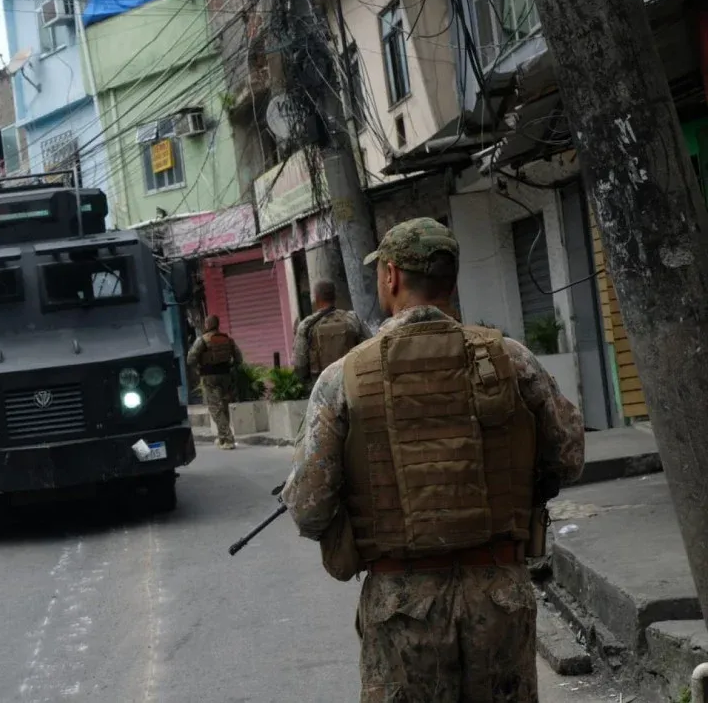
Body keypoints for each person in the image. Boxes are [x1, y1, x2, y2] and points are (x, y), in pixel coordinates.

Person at [280, 218, 585, 702]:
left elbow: (309, 506)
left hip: (402, 608)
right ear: (452, 280)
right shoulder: (511, 358)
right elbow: (567, 458)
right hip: (499, 594)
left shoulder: (345, 378)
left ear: (392, 275)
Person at [291, 279, 367, 392]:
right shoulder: (352, 319)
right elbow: (368, 349)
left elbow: (300, 366)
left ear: (316, 298)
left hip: (321, 390)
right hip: (352, 386)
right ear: (334, 297)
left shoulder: (306, 326)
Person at [187, 315, 244, 450]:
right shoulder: (227, 339)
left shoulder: (202, 340)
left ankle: (228, 438)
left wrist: (197, 369)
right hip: (225, 375)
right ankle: (222, 438)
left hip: (209, 377)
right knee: (223, 406)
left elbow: (190, 358)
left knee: (215, 408)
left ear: (207, 325)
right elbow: (239, 358)